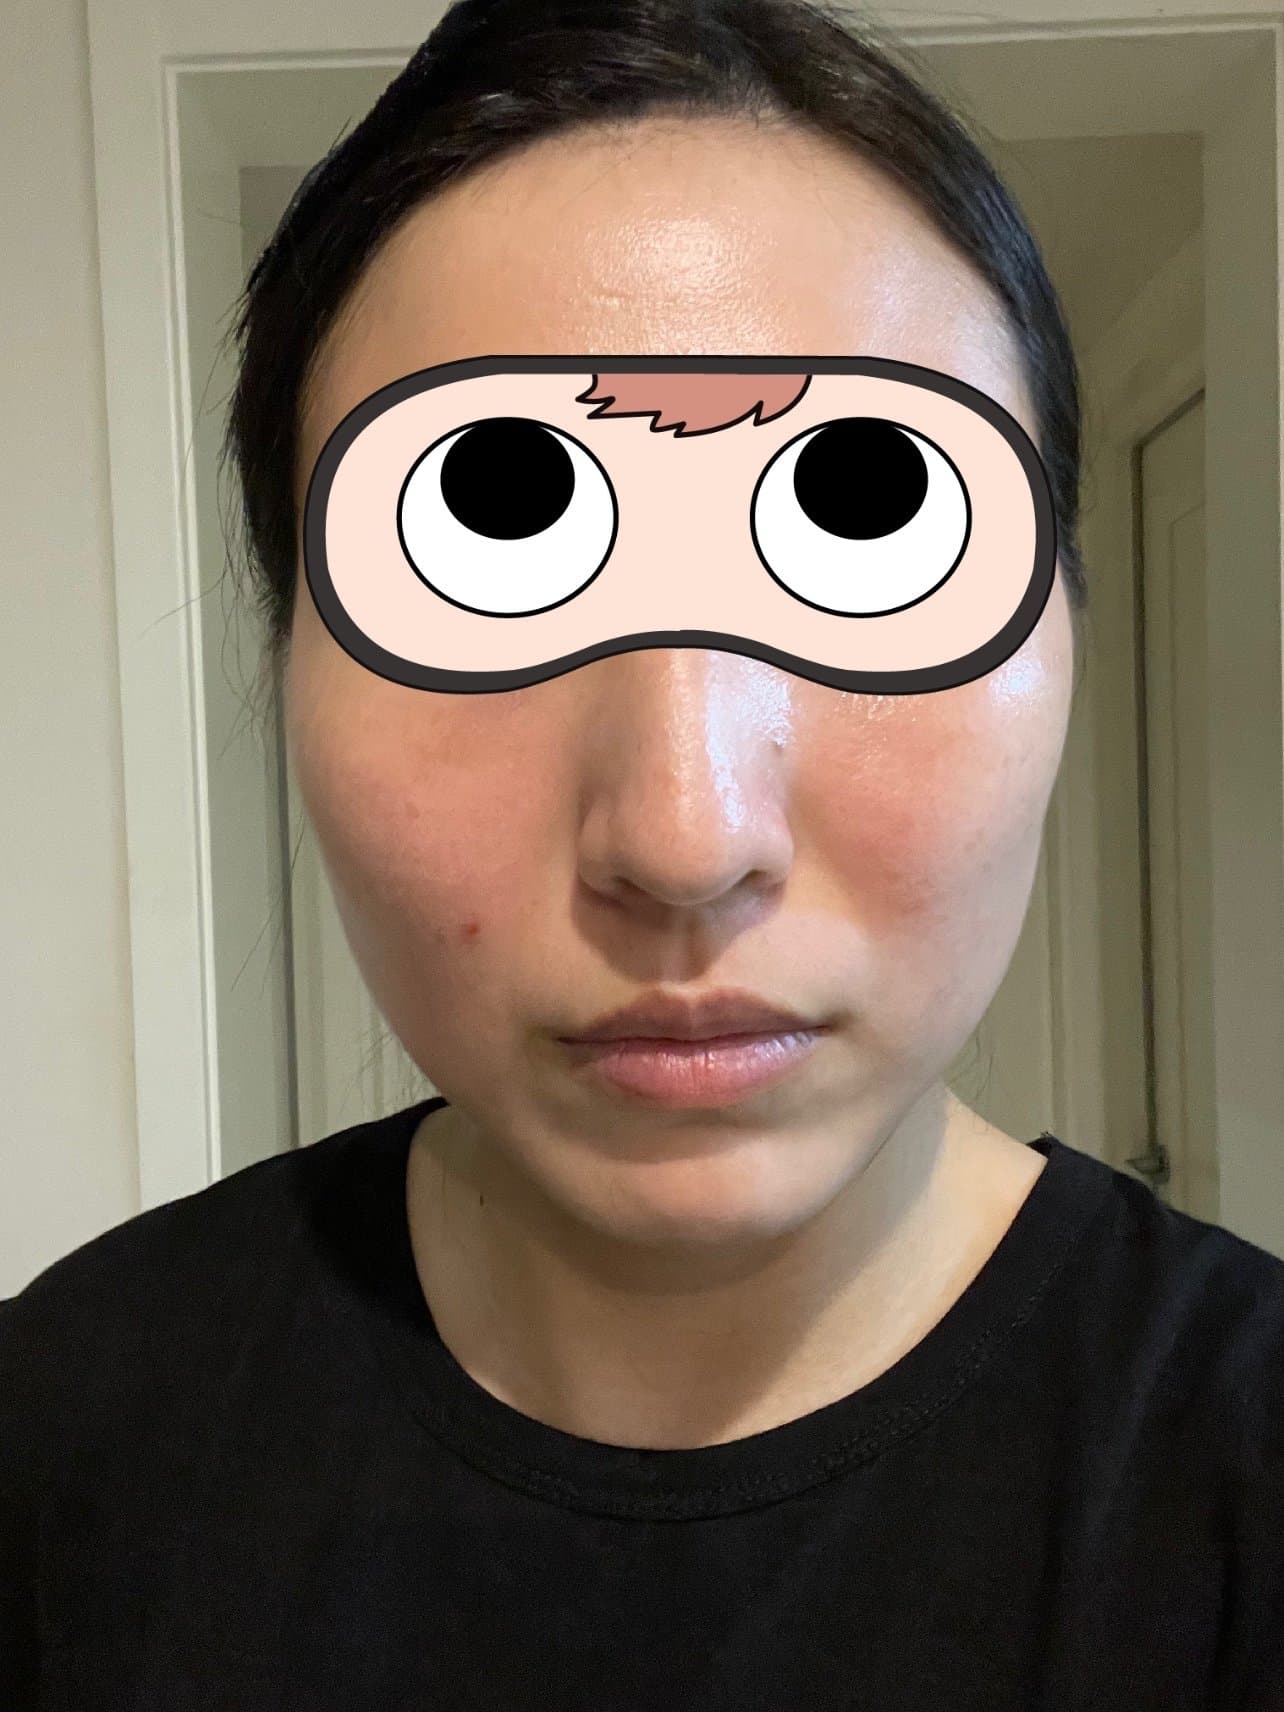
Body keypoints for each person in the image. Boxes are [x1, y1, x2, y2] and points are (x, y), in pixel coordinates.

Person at [3, 0, 1281, 1705]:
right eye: (487, 545)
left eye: (869, 530)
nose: (686, 839)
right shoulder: (67, 1438)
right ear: (289, 651)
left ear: (1065, 633)